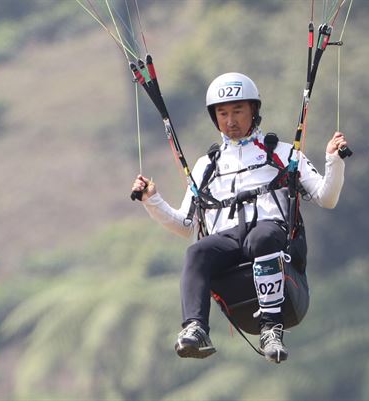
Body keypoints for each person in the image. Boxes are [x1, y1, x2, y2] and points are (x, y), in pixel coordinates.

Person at [131, 72, 348, 363]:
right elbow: (186, 226)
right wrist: (151, 200)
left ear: (254, 111)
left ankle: (271, 327)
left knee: (263, 236)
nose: (230, 121)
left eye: (237, 112)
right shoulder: (207, 165)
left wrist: (333, 160)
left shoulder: (283, 153)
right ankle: (195, 328)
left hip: (273, 237)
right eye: (222, 114)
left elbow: (326, 197)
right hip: (231, 242)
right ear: (214, 117)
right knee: (197, 251)